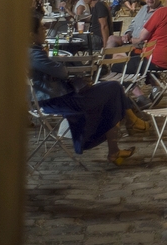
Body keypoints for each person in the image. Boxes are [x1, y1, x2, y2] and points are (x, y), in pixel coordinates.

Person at [28, 17, 147, 165]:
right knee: (114, 89)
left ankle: (119, 142)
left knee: (112, 91)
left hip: (59, 96)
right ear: (31, 35)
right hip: (56, 101)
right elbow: (61, 71)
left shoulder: (33, 52)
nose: (44, 30)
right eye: (41, 28)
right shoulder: (34, 54)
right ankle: (124, 133)